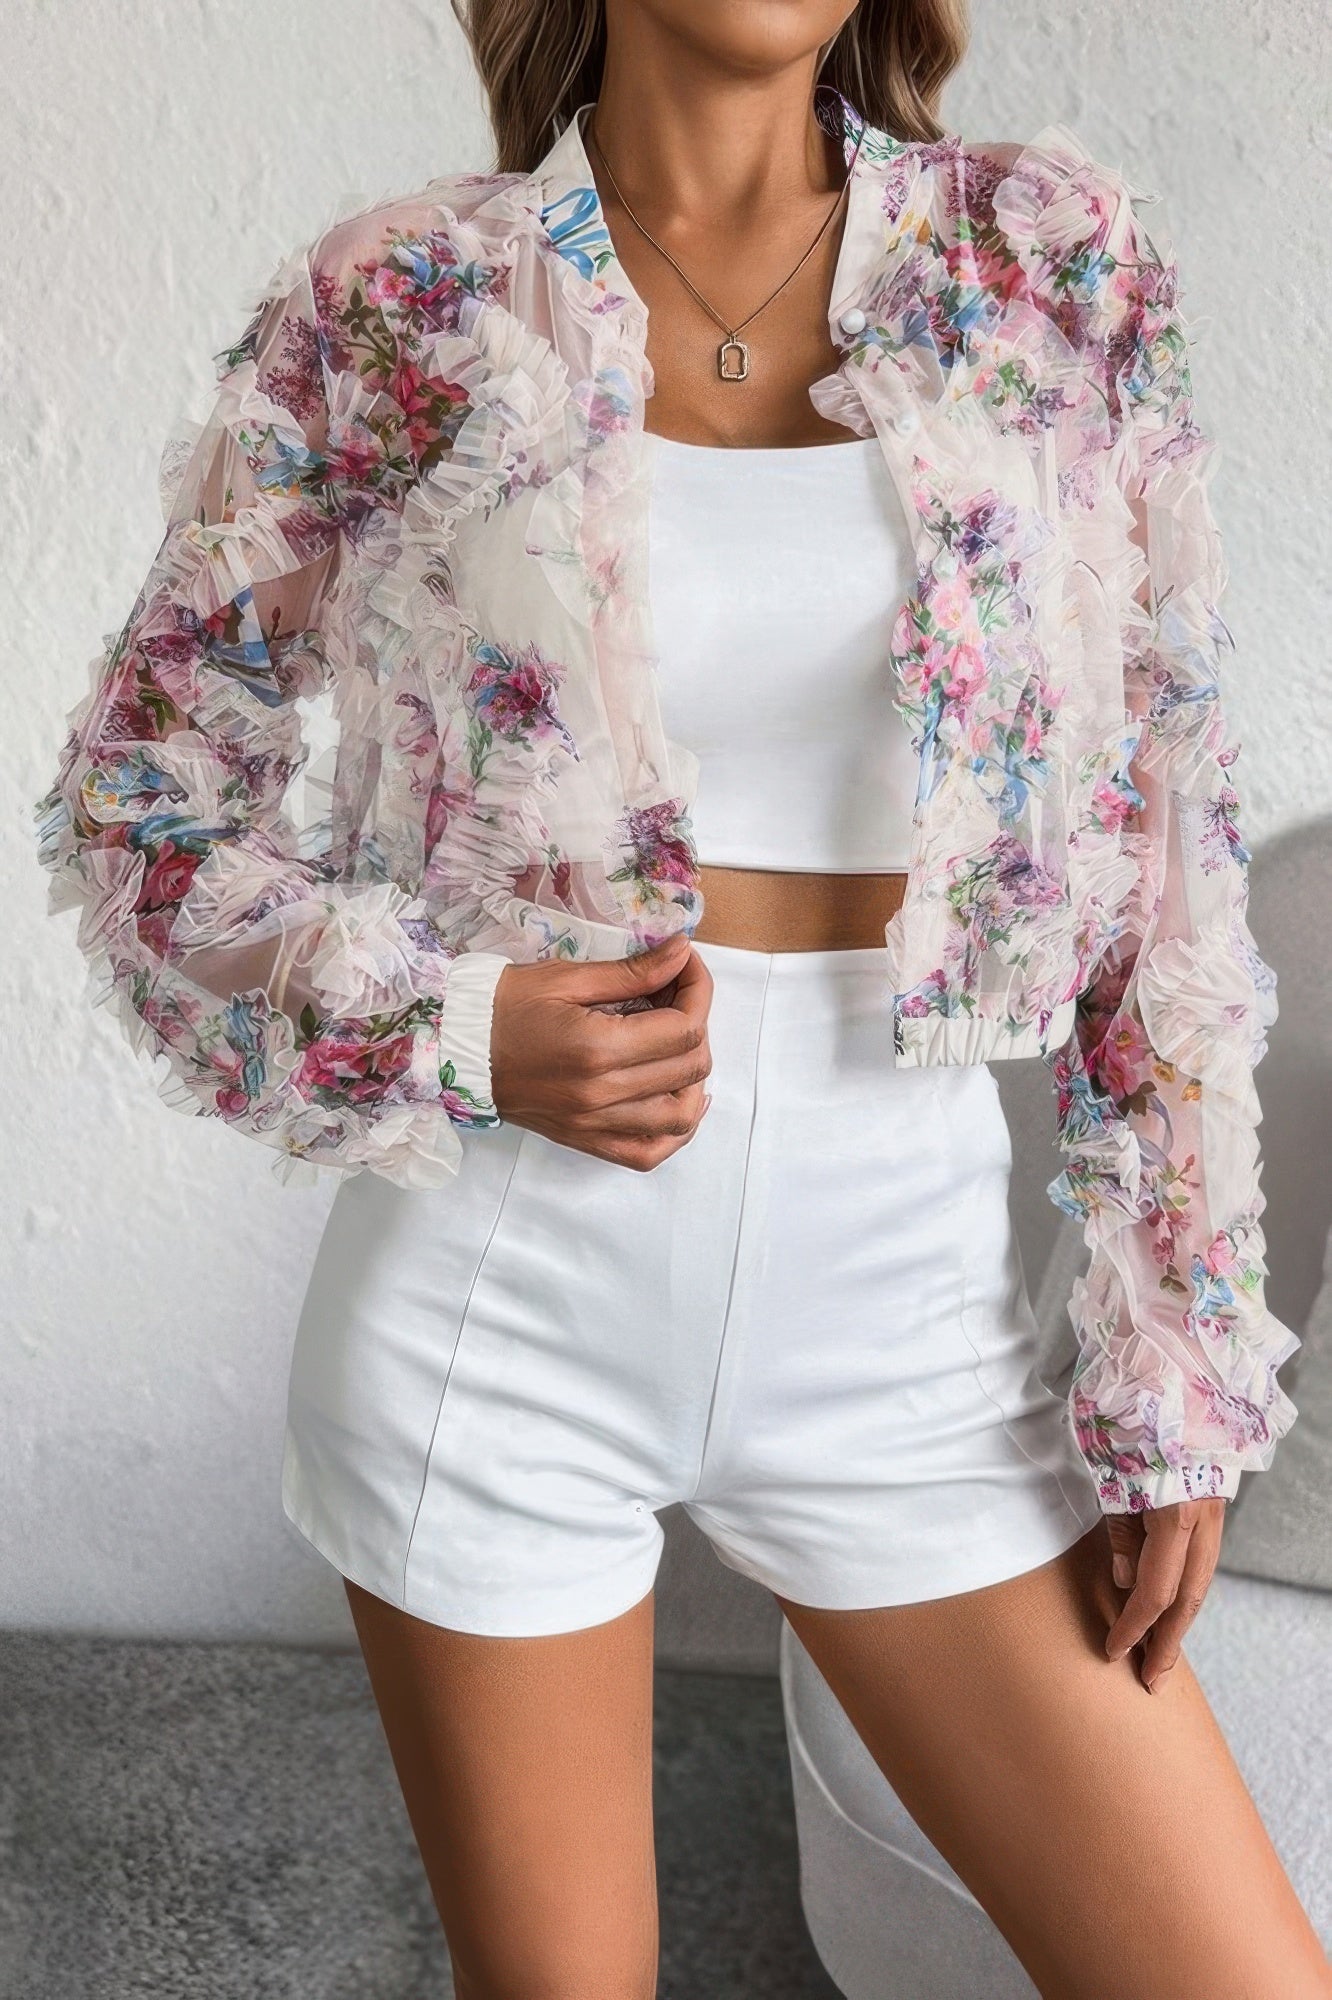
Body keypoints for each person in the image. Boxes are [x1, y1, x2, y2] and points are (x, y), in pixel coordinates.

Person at [34, 1, 1329, 1993]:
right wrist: (452, 1025)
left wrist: (1177, 1348)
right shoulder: (401, 301)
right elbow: (142, 802)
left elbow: (1171, 825)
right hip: (497, 1306)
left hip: (909, 1312)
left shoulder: (1045, 263)